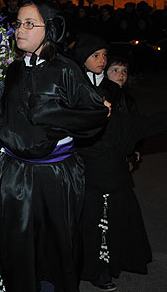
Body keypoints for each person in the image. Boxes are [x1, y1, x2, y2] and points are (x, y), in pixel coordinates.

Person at [0, 0, 110, 292]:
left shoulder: (66, 70)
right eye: (18, 23)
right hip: (17, 175)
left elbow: (95, 113)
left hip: (57, 176)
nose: (20, 30)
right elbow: (4, 112)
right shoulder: (15, 70)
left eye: (29, 24)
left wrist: (53, 119)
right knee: (17, 245)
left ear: (51, 29)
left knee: (60, 243)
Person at [72, 40, 164, 292]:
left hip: (113, 178)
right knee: (85, 224)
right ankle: (81, 267)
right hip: (84, 176)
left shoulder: (121, 116)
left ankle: (101, 269)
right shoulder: (74, 98)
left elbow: (147, 125)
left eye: (104, 56)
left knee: (109, 224)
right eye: (96, 55)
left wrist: (131, 155)